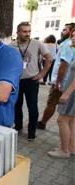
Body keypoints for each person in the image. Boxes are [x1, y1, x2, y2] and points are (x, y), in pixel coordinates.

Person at [11, 22, 53, 141]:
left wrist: (42, 74)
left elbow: (50, 58)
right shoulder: (11, 46)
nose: (27, 34)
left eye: (29, 31)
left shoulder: (37, 44)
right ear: (18, 32)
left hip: (32, 81)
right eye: (24, 31)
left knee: (32, 107)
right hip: (16, 81)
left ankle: (31, 132)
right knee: (17, 105)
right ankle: (18, 126)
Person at [38, 23, 75, 130]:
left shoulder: (68, 44)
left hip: (62, 81)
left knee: (52, 103)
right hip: (69, 81)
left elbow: (64, 64)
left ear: (71, 31)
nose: (62, 32)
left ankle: (42, 123)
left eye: (65, 30)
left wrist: (58, 82)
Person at [48, 30, 75, 158]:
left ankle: (64, 150)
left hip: (72, 92)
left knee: (62, 119)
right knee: (71, 121)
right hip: (71, 91)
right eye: (73, 35)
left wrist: (67, 93)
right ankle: (71, 148)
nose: (73, 38)